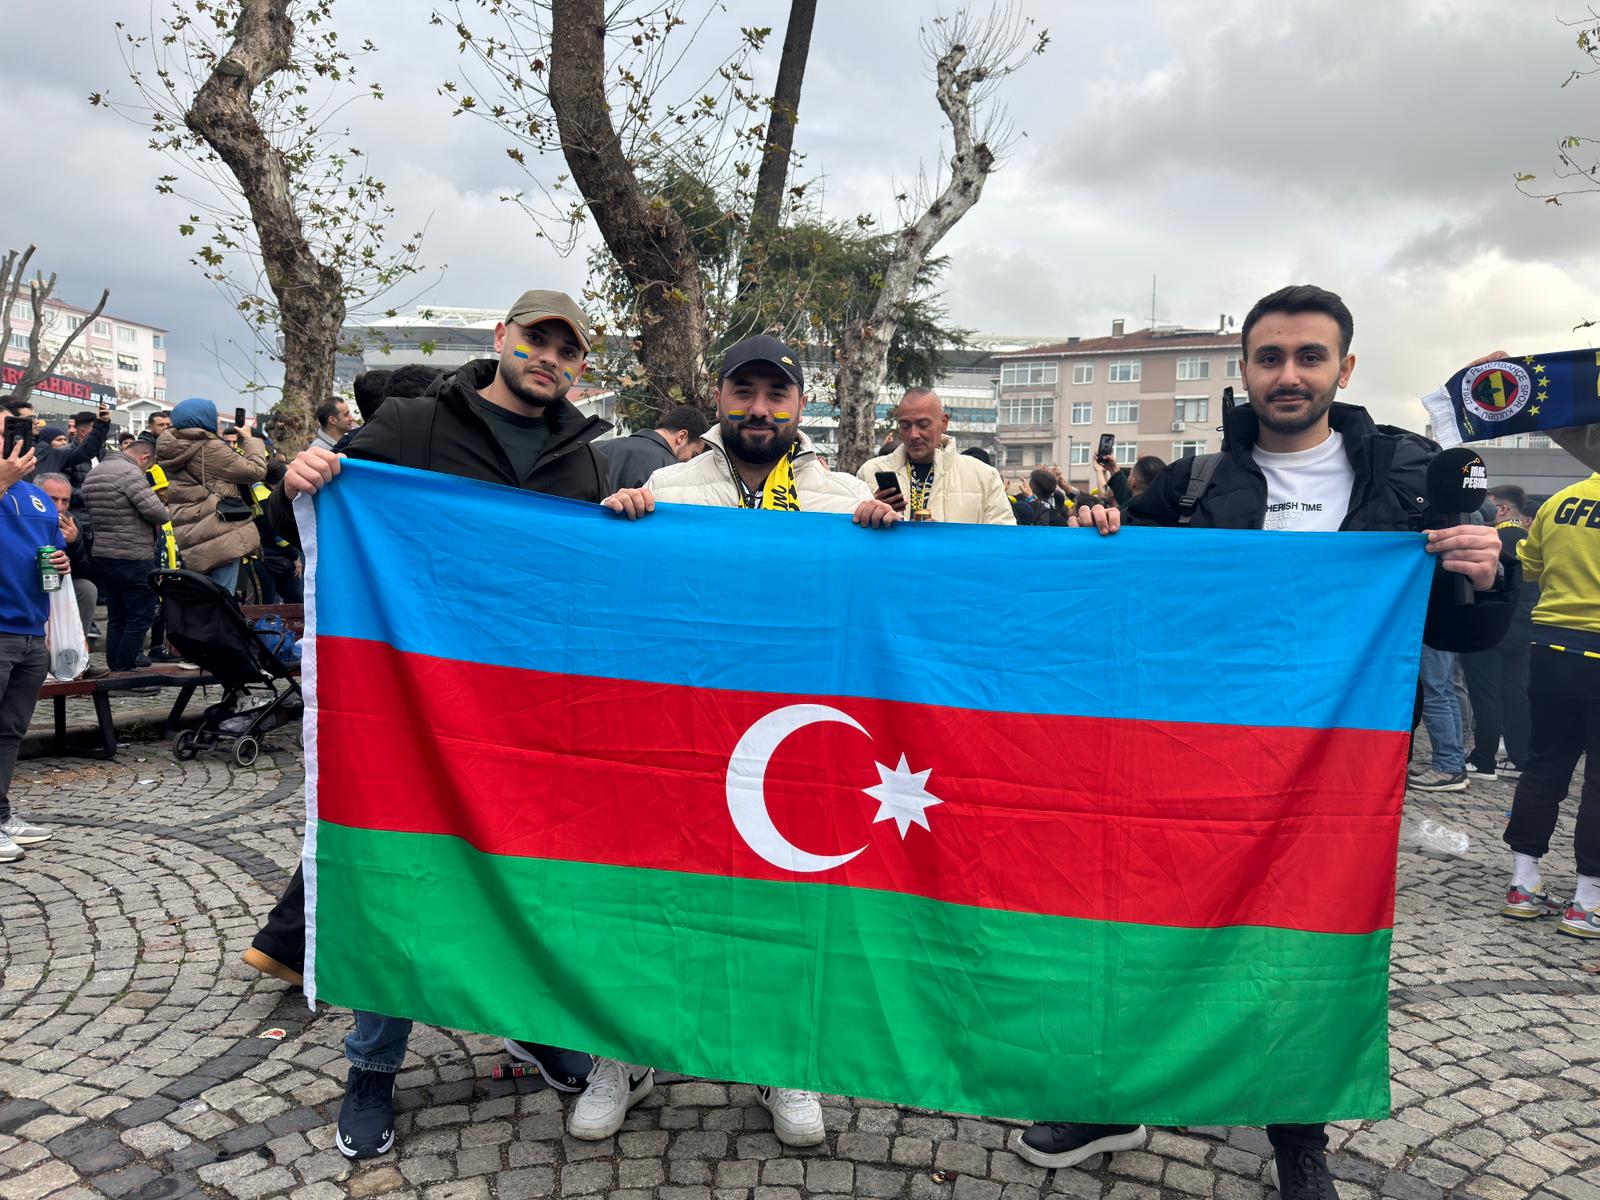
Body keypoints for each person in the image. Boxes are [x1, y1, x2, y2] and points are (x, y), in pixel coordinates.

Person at [1010, 285, 1514, 1200]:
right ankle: (1114, 1093)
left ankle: (1298, 1132)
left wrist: (1490, 573)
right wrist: (1099, 535)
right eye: (1270, 358)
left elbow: (1461, 636)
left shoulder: (1406, 477)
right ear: (1243, 372)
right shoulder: (1191, 484)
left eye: (1309, 357)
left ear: (1343, 369)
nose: (1289, 375)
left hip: (1335, 766)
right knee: (1142, 921)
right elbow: (1117, 610)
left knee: (1303, 944)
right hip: (1189, 756)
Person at [265, 288, 612, 1161]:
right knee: (406, 874)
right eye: (537, 338)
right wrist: (297, 480)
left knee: (530, 877)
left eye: (568, 350)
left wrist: (629, 521)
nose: (551, 358)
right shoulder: (415, 426)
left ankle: (532, 1024)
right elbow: (309, 523)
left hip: (530, 718)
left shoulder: (585, 459)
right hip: (416, 706)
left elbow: (588, 580)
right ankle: (371, 1069)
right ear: (502, 337)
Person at [599, 334, 896, 1148]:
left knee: (785, 898)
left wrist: (890, 536)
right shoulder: (666, 484)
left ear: (801, 404)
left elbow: (888, 603)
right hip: (686, 729)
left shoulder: (842, 497)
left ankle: (781, 1058)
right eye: (743, 393)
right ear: (720, 396)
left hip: (791, 732)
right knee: (658, 886)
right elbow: (630, 602)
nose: (759, 410)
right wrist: (624, 527)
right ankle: (626, 1052)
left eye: (776, 395)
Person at [1500, 468, 1600, 936]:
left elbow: (1531, 567)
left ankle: (1524, 882)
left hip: (1551, 648)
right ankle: (1587, 900)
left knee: (1544, 765)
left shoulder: (1561, 500)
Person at [0, 440, 70, 863]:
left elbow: (47, 558)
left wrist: (64, 560)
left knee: (9, 731)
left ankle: (2, 813)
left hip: (29, 630)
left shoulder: (38, 498)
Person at [156, 398, 268, 595]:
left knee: (203, 598)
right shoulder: (208, 447)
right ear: (203, 419)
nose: (217, 421)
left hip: (193, 530)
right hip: (219, 532)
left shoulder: (173, 446)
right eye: (214, 416)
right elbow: (255, 471)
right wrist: (252, 440)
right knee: (222, 600)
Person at [1463, 484, 1535, 781]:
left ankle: (1484, 760)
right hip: (1524, 625)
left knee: (1485, 693)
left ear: (1503, 509)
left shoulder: (1493, 539)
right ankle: (1521, 758)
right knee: (1515, 691)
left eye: (1490, 505)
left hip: (1492, 624)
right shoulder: (1530, 539)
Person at [858, 388, 1015, 524]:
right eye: (905, 426)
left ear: (944, 422)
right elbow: (853, 539)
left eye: (923, 425)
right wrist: (872, 517)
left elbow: (1002, 542)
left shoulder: (984, 477)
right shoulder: (870, 472)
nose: (913, 435)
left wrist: (942, 539)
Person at [80, 437, 170, 672]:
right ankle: (126, 668)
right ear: (144, 458)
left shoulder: (95, 472)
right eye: (147, 467)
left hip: (102, 554)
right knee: (140, 615)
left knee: (117, 616)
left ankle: (115, 668)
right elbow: (158, 513)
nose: (146, 470)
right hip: (133, 555)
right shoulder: (130, 474)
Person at [33, 473, 97, 652]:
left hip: (57, 585)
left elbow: (85, 571)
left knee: (86, 589)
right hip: (25, 585)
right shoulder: (23, 516)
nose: (59, 507)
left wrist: (74, 543)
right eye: (52, 499)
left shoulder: (71, 521)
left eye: (65, 501)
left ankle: (75, 654)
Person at [596, 403, 709, 490]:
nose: (690, 461)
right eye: (694, 454)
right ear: (682, 436)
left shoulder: (597, 448)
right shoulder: (668, 470)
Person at [1412, 646, 1468, 790]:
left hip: (1433, 630)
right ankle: (1454, 763)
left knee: (1433, 694)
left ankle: (1447, 765)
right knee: (1446, 692)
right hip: (1446, 632)